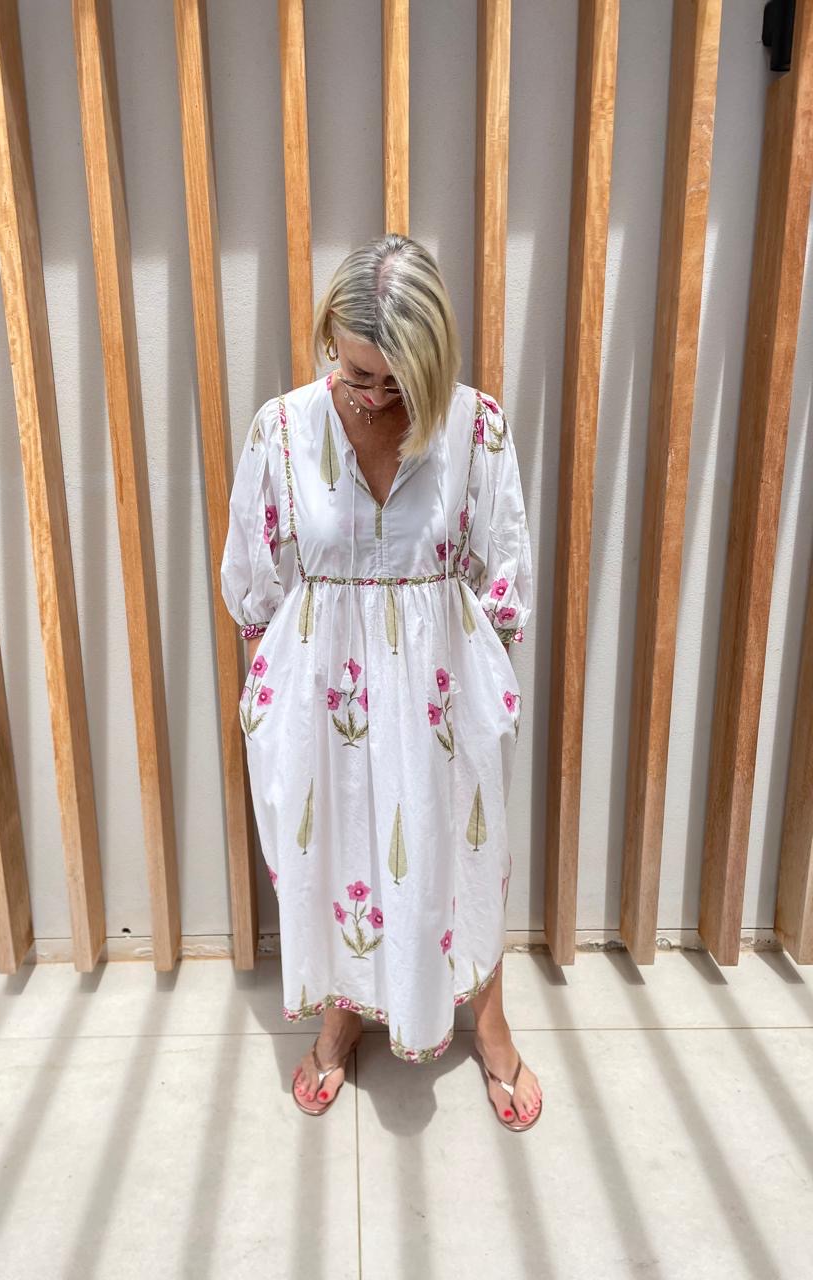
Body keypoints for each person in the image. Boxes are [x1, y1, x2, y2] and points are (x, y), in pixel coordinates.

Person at [220, 232, 542, 1130]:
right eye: (355, 373)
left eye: (394, 381)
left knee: (459, 851)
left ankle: (488, 1015)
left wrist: (478, 693)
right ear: (331, 338)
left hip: (441, 689)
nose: (369, 398)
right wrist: (278, 687)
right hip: (323, 688)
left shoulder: (475, 427)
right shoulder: (283, 427)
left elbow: (504, 573)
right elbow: (254, 574)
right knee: (334, 850)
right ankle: (340, 1012)